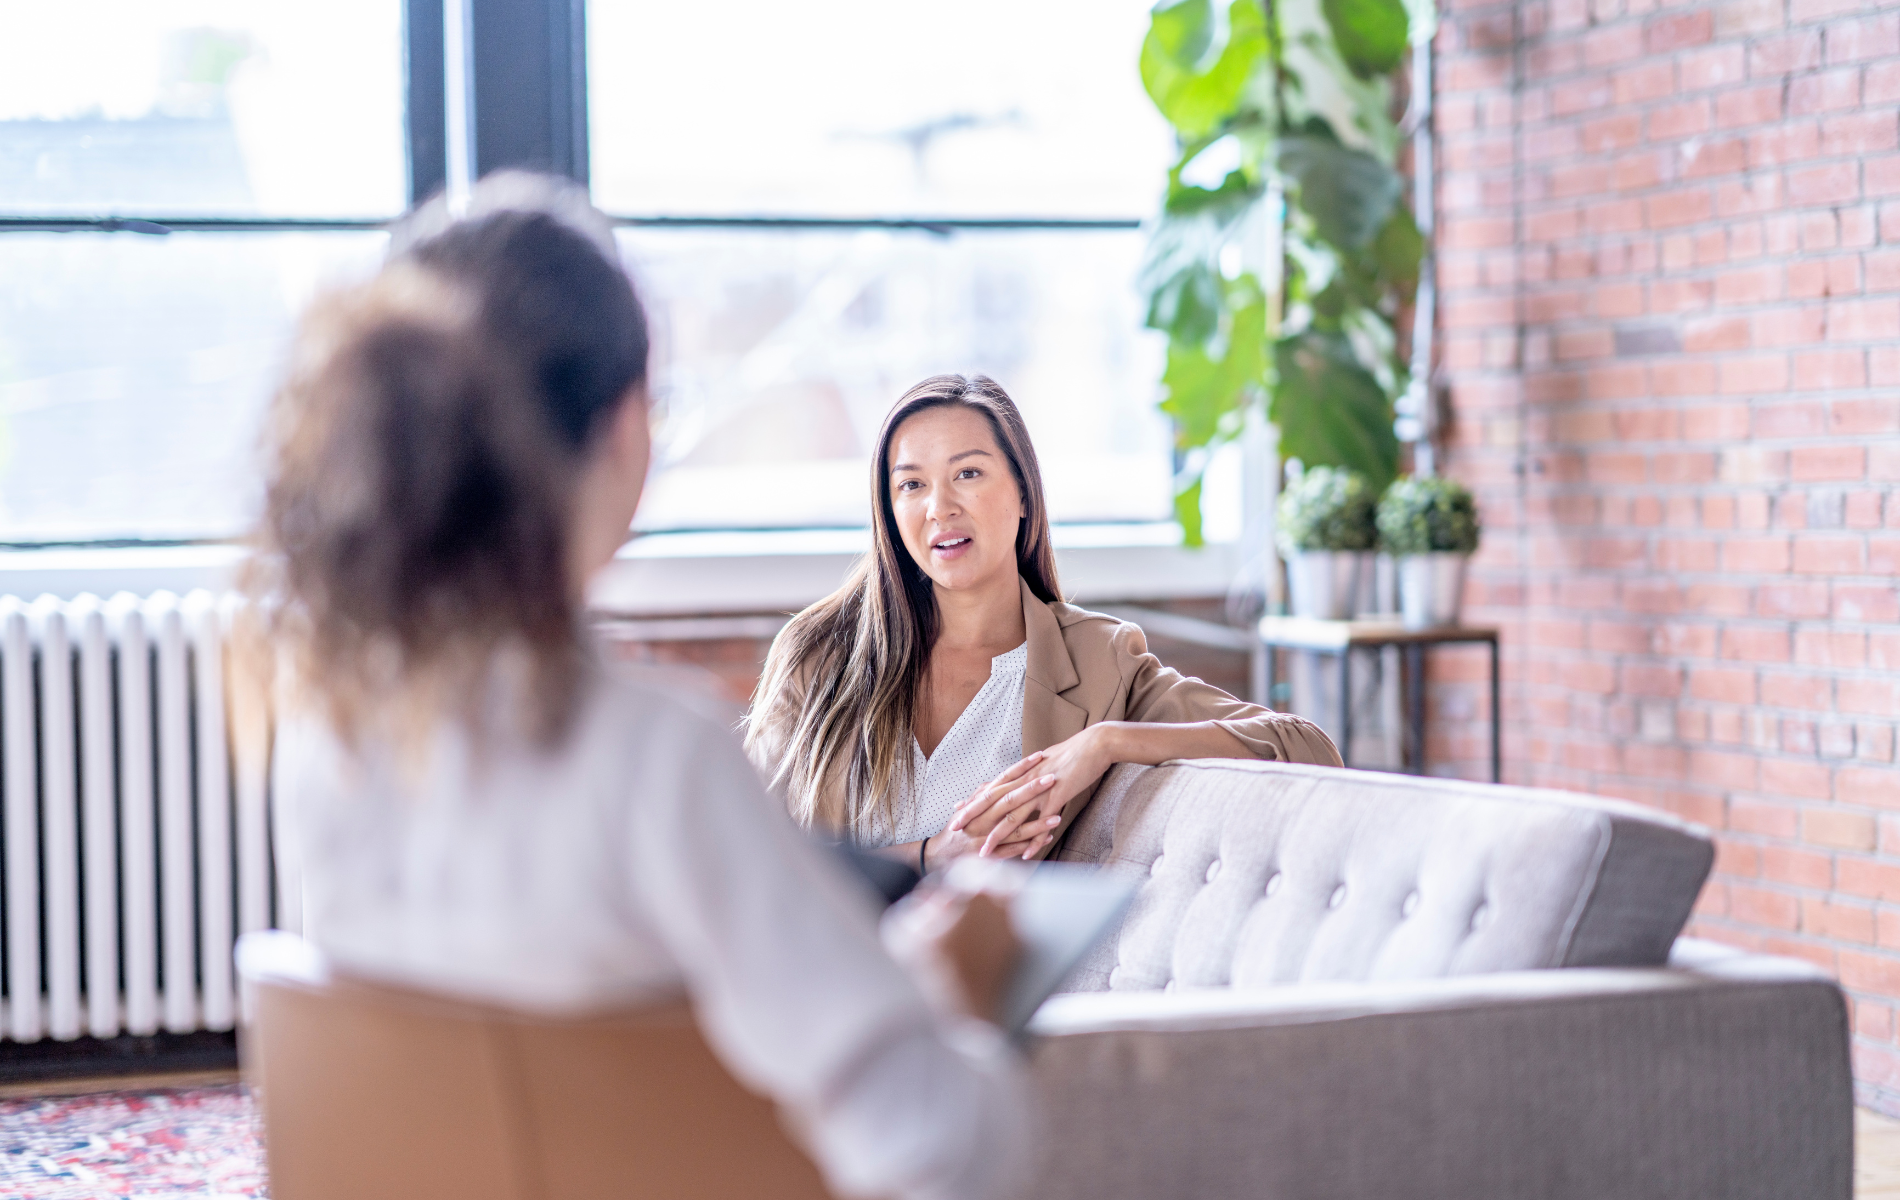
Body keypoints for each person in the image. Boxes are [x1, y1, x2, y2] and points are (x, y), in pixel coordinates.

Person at [249, 174, 1030, 1200]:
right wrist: (947, 1000)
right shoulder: (654, 756)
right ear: (625, 429)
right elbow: (942, 1149)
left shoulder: (328, 733)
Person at [745, 375, 1342, 869]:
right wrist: (931, 857)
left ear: (1024, 492)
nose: (940, 506)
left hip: (1001, 992)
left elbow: (1306, 748)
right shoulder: (818, 653)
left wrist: (1107, 741)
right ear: (890, 510)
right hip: (833, 980)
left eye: (969, 473)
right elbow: (744, 853)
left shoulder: (1097, 660)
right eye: (911, 484)